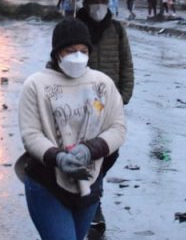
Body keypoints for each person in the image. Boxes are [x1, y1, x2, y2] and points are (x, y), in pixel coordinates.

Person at [18, 19, 126, 240]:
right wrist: (57, 157)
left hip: (89, 183)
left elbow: (117, 127)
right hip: (47, 183)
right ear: (57, 53)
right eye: (70, 51)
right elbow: (31, 134)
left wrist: (90, 149)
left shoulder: (102, 84)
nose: (77, 56)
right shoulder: (36, 85)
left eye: (83, 51)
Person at [74, 0, 134, 234]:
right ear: (85, 3)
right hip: (80, 107)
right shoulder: (75, 28)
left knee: (110, 153)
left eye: (103, 1)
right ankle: (92, 201)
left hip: (110, 106)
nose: (99, 6)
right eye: (94, 1)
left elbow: (126, 64)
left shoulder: (116, 29)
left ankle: (91, 191)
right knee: (88, 153)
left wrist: (123, 97)